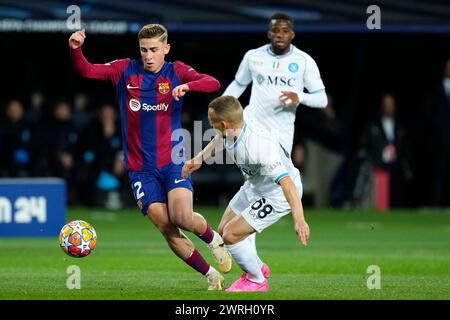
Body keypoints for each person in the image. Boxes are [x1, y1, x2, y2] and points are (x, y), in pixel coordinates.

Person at [69, 24, 231, 290]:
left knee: (182, 217)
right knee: (167, 228)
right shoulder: (124, 69)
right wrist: (76, 50)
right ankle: (210, 275)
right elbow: (87, 70)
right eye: (144, 50)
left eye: (154, 50)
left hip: (173, 160)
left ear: (166, 49)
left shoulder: (176, 71)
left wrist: (188, 86)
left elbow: (213, 82)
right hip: (140, 169)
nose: (148, 55)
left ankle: (213, 239)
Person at [182, 96, 310, 292]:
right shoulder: (232, 130)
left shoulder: (258, 146)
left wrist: (299, 219)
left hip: (277, 195)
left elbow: (287, 184)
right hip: (255, 185)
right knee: (224, 228)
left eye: (212, 122)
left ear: (224, 124)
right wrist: (199, 158)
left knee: (232, 235)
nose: (210, 125)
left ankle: (256, 280)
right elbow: (220, 139)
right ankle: (257, 267)